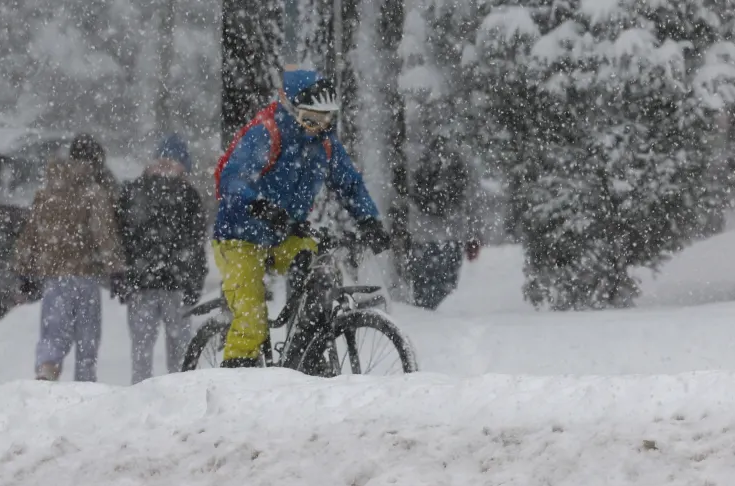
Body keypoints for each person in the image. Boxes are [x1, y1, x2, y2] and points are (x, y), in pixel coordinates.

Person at [213, 67, 390, 368]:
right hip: (239, 235)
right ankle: (235, 384)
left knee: (321, 268)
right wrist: (257, 206)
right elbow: (232, 178)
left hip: (284, 234)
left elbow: (349, 184)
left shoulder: (325, 144)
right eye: (310, 119)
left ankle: (306, 352)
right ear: (289, 106)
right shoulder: (266, 133)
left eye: (326, 119)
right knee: (251, 319)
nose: (317, 127)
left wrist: (369, 221)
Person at [13, 134, 126, 381]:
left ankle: (46, 371)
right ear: (96, 161)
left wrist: (25, 270)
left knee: (53, 332)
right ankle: (84, 387)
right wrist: (115, 268)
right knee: (87, 338)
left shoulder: (47, 191)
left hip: (54, 276)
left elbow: (30, 232)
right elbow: (103, 234)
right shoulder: (93, 192)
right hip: (84, 274)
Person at [115, 134, 208, 384]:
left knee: (174, 352)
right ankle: (145, 397)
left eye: (173, 159)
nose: (166, 163)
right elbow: (121, 238)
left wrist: (194, 282)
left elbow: (196, 244)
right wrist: (121, 275)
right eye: (163, 158)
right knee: (145, 351)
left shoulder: (185, 197)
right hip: (144, 284)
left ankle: (174, 394)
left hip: (171, 285)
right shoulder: (135, 192)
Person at [406, 136, 481, 310]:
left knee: (422, 291)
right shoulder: (461, 158)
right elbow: (470, 199)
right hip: (451, 235)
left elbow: (408, 195)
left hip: (422, 235)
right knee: (445, 287)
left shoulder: (415, 154)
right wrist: (473, 235)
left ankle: (427, 318)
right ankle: (435, 319)